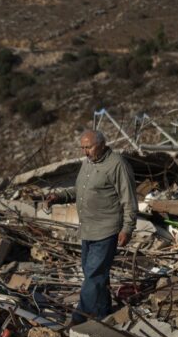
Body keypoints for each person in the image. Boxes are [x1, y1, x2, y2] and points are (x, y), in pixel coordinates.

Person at [45, 129, 138, 325]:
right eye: (83, 148)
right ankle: (103, 312)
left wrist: (127, 228)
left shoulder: (117, 165)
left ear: (102, 144)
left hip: (106, 230)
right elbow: (80, 189)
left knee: (93, 276)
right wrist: (59, 197)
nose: (85, 152)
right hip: (88, 230)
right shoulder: (88, 163)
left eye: (89, 147)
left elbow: (129, 200)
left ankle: (80, 319)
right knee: (95, 275)